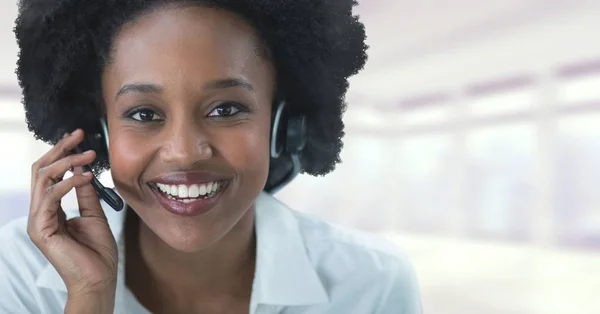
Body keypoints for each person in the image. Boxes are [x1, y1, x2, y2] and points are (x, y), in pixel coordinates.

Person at [0, 0, 422, 313]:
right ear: (100, 133)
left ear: (282, 126)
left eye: (226, 109)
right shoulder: (18, 267)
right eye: (144, 114)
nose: (184, 152)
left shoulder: (373, 285)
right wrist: (89, 296)